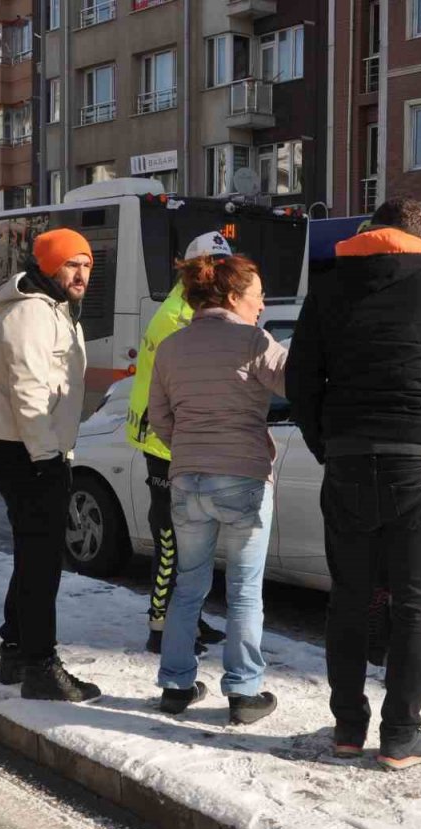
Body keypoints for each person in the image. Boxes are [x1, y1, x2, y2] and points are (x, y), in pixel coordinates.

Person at [285, 195, 421, 770]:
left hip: (350, 459)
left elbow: (299, 379)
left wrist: (324, 444)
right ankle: (402, 736)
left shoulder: (328, 288)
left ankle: (347, 729)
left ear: (369, 232)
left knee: (349, 599)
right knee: (415, 604)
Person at [149, 254, 288, 726]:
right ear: (233, 297)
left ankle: (175, 683)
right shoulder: (253, 340)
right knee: (245, 590)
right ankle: (244, 693)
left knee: (188, 585)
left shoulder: (170, 347)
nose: (263, 305)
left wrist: (189, 451)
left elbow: (160, 419)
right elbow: (294, 382)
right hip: (244, 476)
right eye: (258, 296)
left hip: (187, 479)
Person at [0, 228, 100, 702]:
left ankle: (14, 651)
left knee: (33, 555)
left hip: (32, 449)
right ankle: (39, 665)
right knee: (42, 562)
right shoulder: (33, 313)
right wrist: (47, 458)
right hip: (27, 451)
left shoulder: (54, 309)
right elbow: (29, 392)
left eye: (87, 265)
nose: (81, 274)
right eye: (71, 264)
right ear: (49, 266)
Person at [127, 232, 234, 656]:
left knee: (190, 541)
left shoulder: (187, 307)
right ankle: (160, 628)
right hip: (165, 443)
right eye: (213, 268)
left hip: (176, 440)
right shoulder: (180, 316)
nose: (219, 276)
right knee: (170, 541)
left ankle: (188, 617)